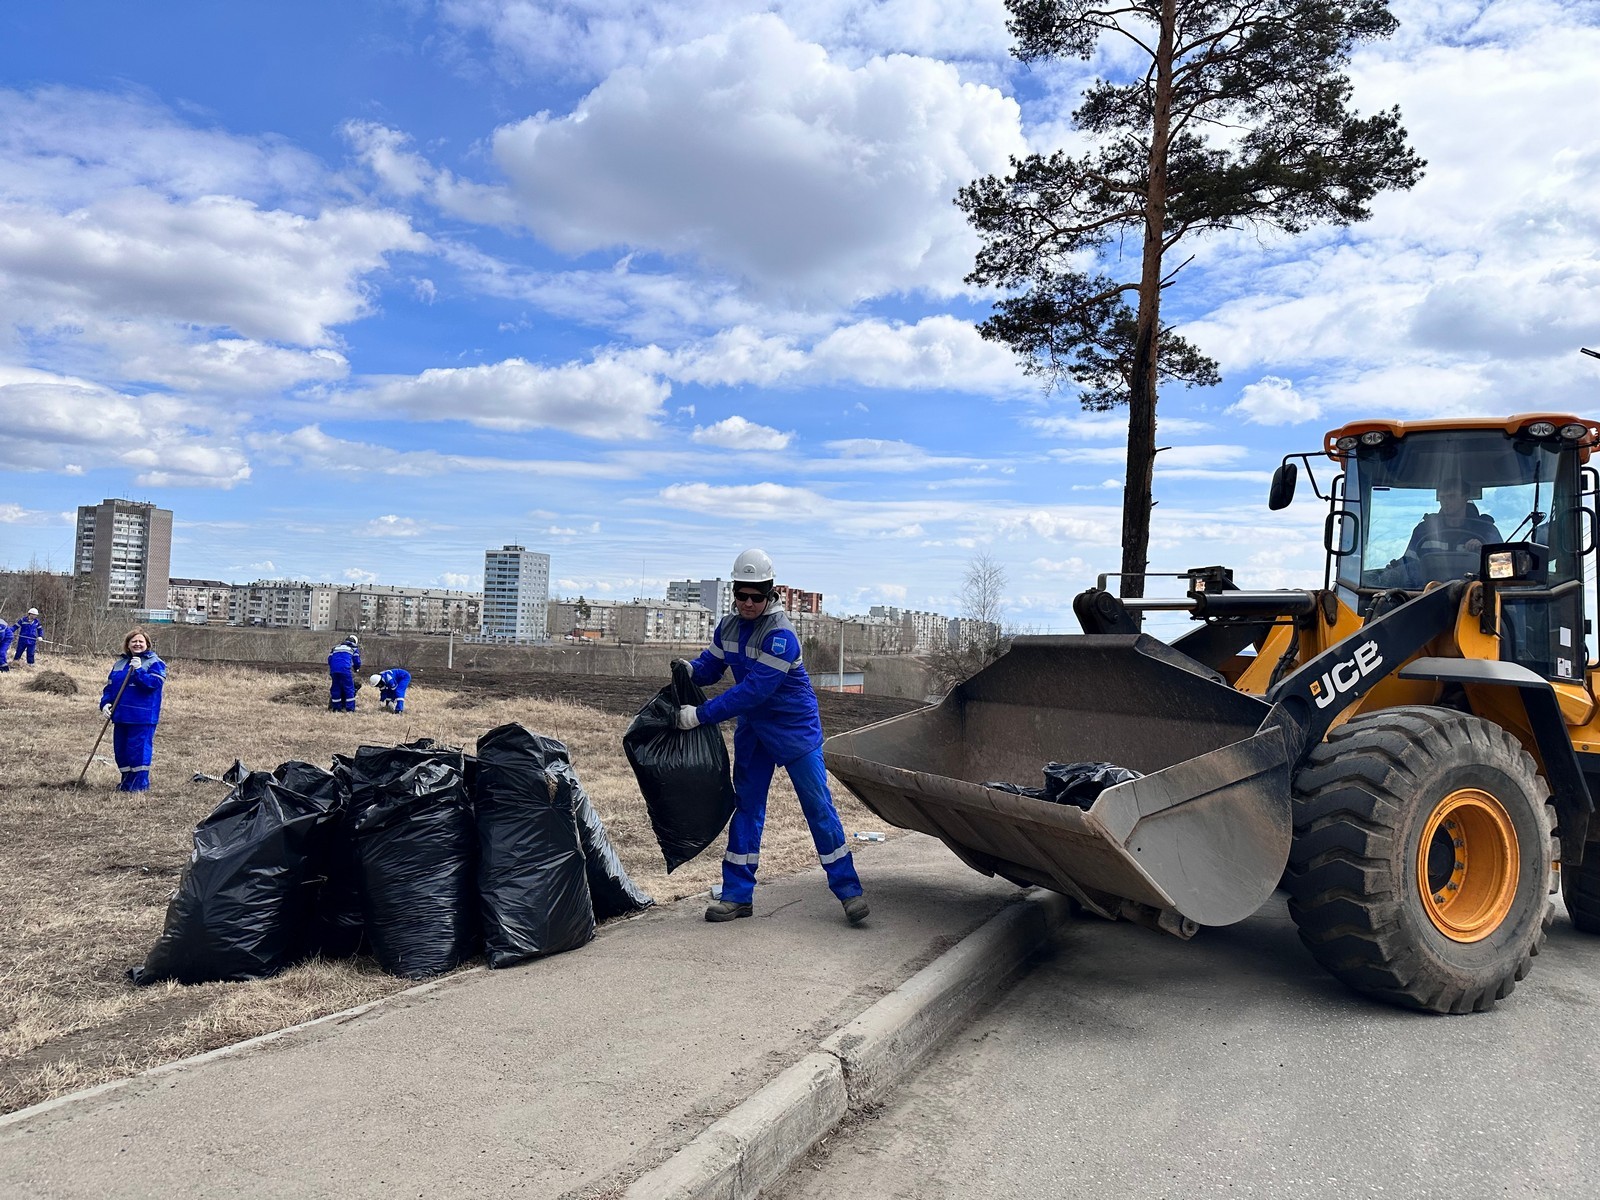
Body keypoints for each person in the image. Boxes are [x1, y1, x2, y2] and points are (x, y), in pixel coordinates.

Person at [676, 548, 869, 926]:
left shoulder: (781, 636)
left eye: (756, 596)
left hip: (795, 729)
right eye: (741, 595)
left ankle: (849, 892)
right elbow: (711, 666)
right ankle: (736, 896)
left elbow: (753, 692)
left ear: (770, 593)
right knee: (746, 809)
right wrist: (689, 670)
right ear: (735, 591)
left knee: (818, 808)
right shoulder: (728, 627)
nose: (748, 603)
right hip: (755, 730)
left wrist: (700, 715)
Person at [1375, 481, 1504, 588]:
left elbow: (1502, 568)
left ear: (1465, 497)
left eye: (1452, 496)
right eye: (1443, 497)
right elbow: (1410, 565)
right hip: (1426, 597)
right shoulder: (1423, 530)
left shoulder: (1487, 531)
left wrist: (1484, 550)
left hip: (1479, 599)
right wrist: (1395, 571)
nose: (1446, 502)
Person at [100, 628, 166, 792]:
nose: (137, 644)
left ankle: (138, 786)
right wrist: (105, 703)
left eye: (140, 641)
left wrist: (138, 671)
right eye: (133, 641)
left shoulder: (154, 662)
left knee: (138, 752)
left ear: (147, 644)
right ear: (128, 645)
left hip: (142, 716)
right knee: (121, 752)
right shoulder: (120, 663)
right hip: (121, 716)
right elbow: (110, 687)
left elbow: (153, 684)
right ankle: (126, 783)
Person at [327, 634, 361, 712]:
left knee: (336, 688)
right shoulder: (353, 648)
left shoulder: (335, 648)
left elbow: (329, 659)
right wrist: (356, 669)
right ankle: (349, 709)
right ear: (355, 642)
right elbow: (357, 661)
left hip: (334, 670)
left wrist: (334, 667)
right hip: (345, 670)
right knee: (349, 688)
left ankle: (336, 708)